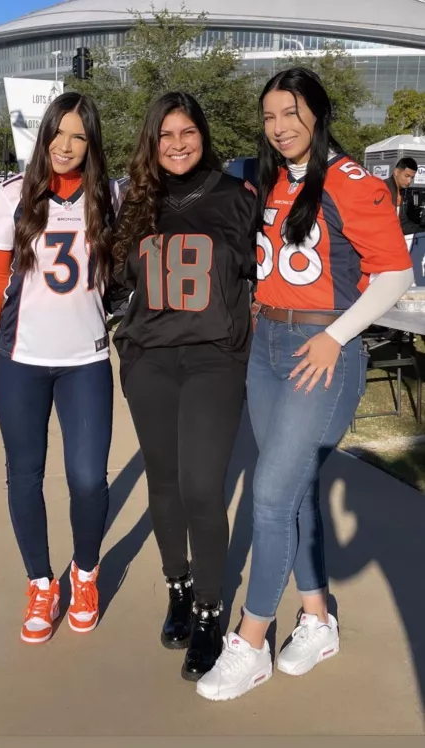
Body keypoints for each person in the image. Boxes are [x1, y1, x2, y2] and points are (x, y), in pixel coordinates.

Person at [197, 67, 414, 701]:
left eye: (291, 113)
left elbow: (395, 274)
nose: (279, 126)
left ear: (318, 113)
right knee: (292, 493)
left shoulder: (352, 182)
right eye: (269, 116)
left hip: (320, 350)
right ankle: (317, 618)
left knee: (269, 496)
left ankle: (250, 642)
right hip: (267, 345)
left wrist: (336, 336)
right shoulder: (270, 179)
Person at [112, 91, 256, 681]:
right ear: (152, 141)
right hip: (150, 360)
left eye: (187, 132)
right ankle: (179, 586)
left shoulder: (237, 196)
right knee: (165, 482)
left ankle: (210, 609)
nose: (177, 144)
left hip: (212, 359)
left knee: (201, 485)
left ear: (203, 134)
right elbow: (115, 281)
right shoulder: (136, 202)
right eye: (165, 134)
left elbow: (263, 276)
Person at [0, 92, 117, 644]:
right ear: (45, 133)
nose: (66, 145)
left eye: (79, 135)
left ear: (91, 142)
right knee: (24, 475)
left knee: (88, 478)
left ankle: (85, 574)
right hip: (20, 359)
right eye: (59, 132)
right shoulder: (11, 194)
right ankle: (40, 583)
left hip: (85, 360)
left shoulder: (109, 195)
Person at [385, 157, 422, 249]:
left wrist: (420, 231)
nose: (409, 181)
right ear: (396, 172)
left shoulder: (400, 191)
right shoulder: (384, 189)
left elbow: (402, 222)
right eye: (406, 176)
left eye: (412, 178)